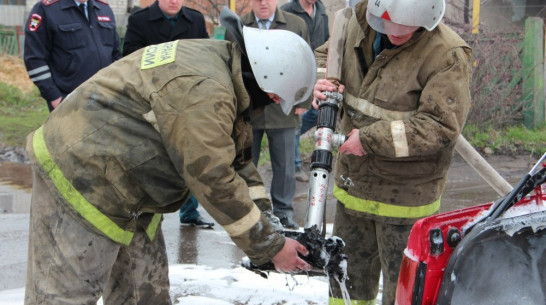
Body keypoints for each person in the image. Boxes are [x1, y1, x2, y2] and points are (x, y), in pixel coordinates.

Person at [23, 7, 317, 303]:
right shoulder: (205, 90)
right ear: (267, 78)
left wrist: (268, 225)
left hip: (130, 182)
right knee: (64, 296)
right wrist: (271, 247)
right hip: (82, 172)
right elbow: (213, 176)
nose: (272, 104)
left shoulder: (227, 69)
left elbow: (237, 162)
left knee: (144, 293)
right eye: (276, 97)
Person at [312, 0, 472, 304]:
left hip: (405, 202)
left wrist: (371, 140)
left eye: (404, 26)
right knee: (346, 288)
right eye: (386, 24)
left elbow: (439, 128)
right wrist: (320, 82)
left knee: (404, 294)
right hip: (353, 190)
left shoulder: (448, 55)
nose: (393, 32)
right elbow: (326, 55)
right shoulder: (353, 22)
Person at [122, 0, 214, 229]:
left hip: (185, 99)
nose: (174, 1)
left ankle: (190, 213)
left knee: (190, 155)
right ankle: (146, 213)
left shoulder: (194, 20)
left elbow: (204, 58)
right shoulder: (139, 20)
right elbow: (130, 61)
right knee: (150, 158)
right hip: (151, 99)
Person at [226, 0, 310, 229]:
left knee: (284, 166)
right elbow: (229, 65)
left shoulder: (296, 24)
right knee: (245, 163)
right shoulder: (239, 25)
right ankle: (248, 211)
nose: (262, 3)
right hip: (248, 108)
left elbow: (305, 60)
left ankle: (284, 212)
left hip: (282, 107)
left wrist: (304, 99)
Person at [24, 0, 121, 112]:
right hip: (69, 101)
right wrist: (54, 97)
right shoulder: (47, 9)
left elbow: (116, 55)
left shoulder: (104, 8)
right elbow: (34, 59)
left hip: (105, 98)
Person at [280, 0, 329, 183]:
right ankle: (295, 165)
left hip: (316, 73)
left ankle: (287, 140)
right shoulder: (287, 11)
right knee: (294, 119)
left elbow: (326, 41)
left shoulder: (321, 11)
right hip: (295, 74)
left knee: (315, 113)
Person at [122, 0, 209, 56]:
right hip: (151, 79)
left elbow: (206, 53)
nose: (174, 1)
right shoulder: (139, 19)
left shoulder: (196, 19)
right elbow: (130, 55)